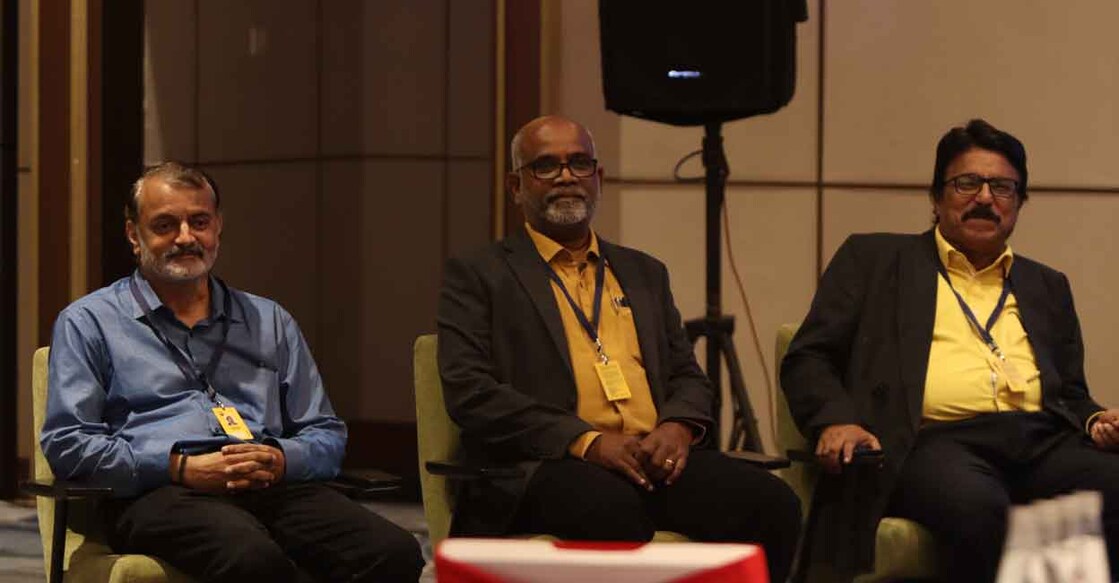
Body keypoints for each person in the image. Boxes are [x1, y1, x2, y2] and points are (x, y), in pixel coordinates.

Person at [437, 115, 801, 582]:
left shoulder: (644, 271)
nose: (566, 176)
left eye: (579, 163)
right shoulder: (478, 274)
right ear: (515, 186)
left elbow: (688, 376)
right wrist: (586, 441)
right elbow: (470, 392)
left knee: (771, 503)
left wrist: (678, 427)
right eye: (545, 166)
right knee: (611, 511)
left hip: (651, 456)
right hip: (548, 463)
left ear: (598, 178)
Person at [41, 162, 424, 582]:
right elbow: (69, 444)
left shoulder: (269, 320)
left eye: (199, 222)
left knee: (394, 552)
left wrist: (280, 459)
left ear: (218, 227)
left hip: (271, 488)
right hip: (160, 494)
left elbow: (325, 434)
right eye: (165, 225)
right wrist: (178, 467)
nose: (185, 237)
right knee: (252, 558)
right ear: (134, 235)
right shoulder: (90, 322)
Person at [781, 119, 1119, 581]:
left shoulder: (1047, 284)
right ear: (936, 197)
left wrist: (1096, 420)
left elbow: (1070, 394)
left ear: (1019, 203)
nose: (984, 198)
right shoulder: (875, 260)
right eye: (967, 183)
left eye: (1002, 187)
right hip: (932, 441)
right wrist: (836, 420)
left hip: (1040, 441)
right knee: (979, 508)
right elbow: (809, 356)